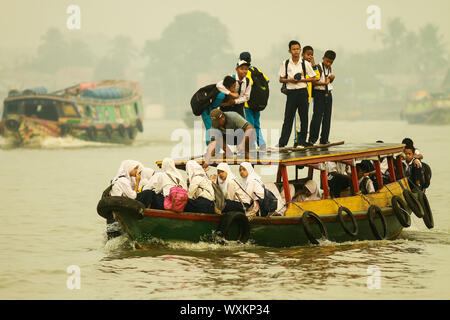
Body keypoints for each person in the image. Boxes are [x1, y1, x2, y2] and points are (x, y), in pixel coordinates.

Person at [218, 51, 268, 151]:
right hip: (227, 107)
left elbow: (246, 97)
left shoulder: (248, 81)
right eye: (242, 69)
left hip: (240, 106)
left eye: (246, 69)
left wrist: (235, 101)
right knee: (223, 127)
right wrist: (231, 94)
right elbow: (219, 85)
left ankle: (245, 147)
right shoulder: (231, 77)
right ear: (237, 69)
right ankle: (223, 149)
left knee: (243, 127)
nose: (244, 71)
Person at [278, 40, 318, 147]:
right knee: (288, 118)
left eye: (298, 49)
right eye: (293, 49)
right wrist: (291, 80)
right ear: (289, 51)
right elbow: (281, 79)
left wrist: (301, 80)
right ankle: (282, 143)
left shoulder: (305, 64)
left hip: (302, 92)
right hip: (291, 93)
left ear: (300, 50)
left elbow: (314, 77)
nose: (296, 51)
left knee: (304, 118)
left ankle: (301, 142)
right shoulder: (286, 63)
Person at [308, 50, 336, 146]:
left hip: (328, 93)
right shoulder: (317, 67)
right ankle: (312, 139)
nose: (328, 63)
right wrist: (326, 83)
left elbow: (328, 81)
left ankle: (324, 139)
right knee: (317, 117)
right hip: (319, 93)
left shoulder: (330, 68)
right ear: (323, 58)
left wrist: (331, 79)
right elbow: (314, 82)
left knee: (327, 117)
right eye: (327, 61)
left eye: (331, 62)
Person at [294, 46, 320, 147]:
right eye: (308, 54)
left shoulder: (309, 66)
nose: (310, 56)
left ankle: (302, 140)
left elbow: (316, 77)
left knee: (304, 120)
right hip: (298, 96)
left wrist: (313, 64)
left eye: (311, 55)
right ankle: (297, 140)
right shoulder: (300, 65)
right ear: (302, 55)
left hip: (307, 97)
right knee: (298, 120)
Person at [202, 76, 237, 146]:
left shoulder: (221, 92)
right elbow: (214, 105)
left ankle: (213, 149)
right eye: (233, 86)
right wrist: (228, 103)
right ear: (228, 86)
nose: (235, 88)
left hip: (209, 110)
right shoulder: (221, 95)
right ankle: (210, 149)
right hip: (207, 111)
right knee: (210, 128)